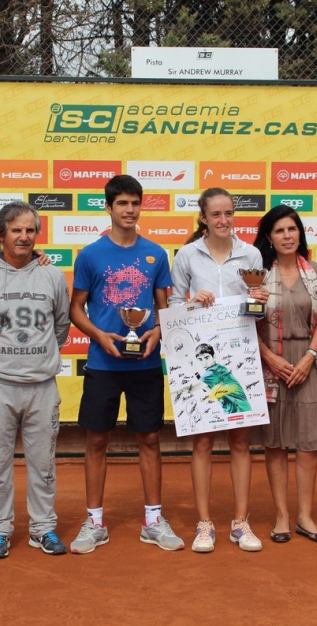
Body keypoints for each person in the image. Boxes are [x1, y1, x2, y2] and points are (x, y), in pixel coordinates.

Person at [69, 174, 184, 554]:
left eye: (135, 203)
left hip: (145, 364)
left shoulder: (156, 254)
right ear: (109, 207)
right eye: (122, 203)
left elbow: (164, 308)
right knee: (97, 440)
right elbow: (76, 308)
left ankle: (153, 520)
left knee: (150, 439)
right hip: (103, 363)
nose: (130, 210)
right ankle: (94, 521)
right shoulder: (90, 254)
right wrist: (99, 336)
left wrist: (157, 332)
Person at [168, 186, 266, 553]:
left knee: (241, 440)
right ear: (203, 218)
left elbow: (260, 306)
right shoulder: (187, 256)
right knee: (203, 440)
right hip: (200, 356)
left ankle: (241, 523)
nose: (223, 221)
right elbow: (175, 306)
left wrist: (260, 299)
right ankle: (204, 523)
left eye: (228, 214)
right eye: (216, 215)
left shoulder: (251, 253)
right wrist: (193, 303)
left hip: (240, 353)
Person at [0, 201, 71, 559]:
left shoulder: (52, 275)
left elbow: (61, 325)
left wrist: (38, 356)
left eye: (30, 230)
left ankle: (42, 528)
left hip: (42, 386)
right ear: (0, 235)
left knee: (43, 465)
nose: (24, 237)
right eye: (16, 230)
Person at [252, 205, 317, 544]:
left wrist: (310, 357)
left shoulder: (315, 271)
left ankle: (305, 516)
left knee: (309, 444)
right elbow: (247, 322)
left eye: (292, 229)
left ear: (300, 233)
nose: (287, 236)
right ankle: (282, 516)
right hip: (271, 363)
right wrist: (269, 357)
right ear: (269, 237)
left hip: (308, 363)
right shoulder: (256, 275)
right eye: (280, 230)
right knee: (275, 443)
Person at [195, 343, 252, 414]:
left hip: (238, 410)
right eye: (200, 359)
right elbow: (211, 390)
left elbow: (192, 388)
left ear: (214, 356)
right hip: (240, 410)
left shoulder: (213, 372)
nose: (204, 363)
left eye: (207, 358)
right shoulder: (220, 368)